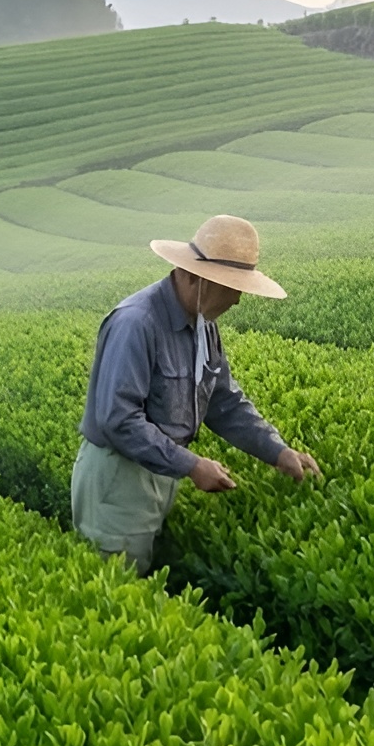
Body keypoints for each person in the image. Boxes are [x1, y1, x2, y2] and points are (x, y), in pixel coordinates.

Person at [73, 214, 321, 572]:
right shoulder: (136, 323)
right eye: (231, 286)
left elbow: (224, 401)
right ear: (196, 278)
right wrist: (191, 465)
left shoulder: (203, 326)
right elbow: (119, 420)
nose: (237, 299)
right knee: (120, 587)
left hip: (161, 468)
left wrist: (277, 451)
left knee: (147, 575)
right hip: (120, 477)